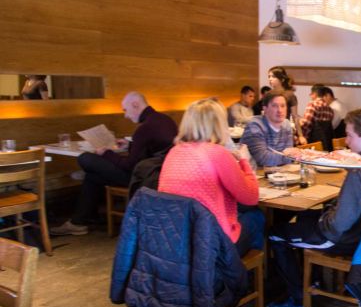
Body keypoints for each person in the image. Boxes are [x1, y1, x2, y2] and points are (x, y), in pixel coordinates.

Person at [266, 107, 361, 307]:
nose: (346, 142)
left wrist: (325, 217)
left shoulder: (360, 170)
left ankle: (297, 300)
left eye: (348, 135)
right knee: (305, 215)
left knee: (274, 233)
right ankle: (313, 279)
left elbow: (339, 223)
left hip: (342, 238)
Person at [52, 92, 178, 235]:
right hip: (158, 173)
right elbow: (151, 149)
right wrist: (130, 144)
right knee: (92, 176)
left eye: (125, 110)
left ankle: (81, 220)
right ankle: (81, 221)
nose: (126, 115)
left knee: (85, 158)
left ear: (136, 105)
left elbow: (128, 165)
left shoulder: (145, 128)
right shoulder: (164, 119)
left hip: (141, 179)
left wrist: (106, 153)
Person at [157, 98, 264, 256]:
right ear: (218, 124)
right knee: (256, 217)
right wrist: (244, 161)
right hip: (211, 245)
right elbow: (251, 196)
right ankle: (242, 274)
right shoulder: (217, 153)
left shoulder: (174, 152)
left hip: (176, 239)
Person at [239, 90, 293, 167]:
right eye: (274, 106)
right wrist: (289, 157)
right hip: (255, 175)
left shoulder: (286, 124)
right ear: (265, 109)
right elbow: (264, 159)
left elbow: (290, 153)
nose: (280, 110)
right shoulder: (255, 125)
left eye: (283, 106)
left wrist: (290, 156)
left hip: (279, 174)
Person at [267, 66, 307, 145]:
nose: (270, 79)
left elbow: (295, 116)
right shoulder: (269, 94)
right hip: (269, 131)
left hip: (284, 130)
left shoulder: (289, 95)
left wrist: (300, 135)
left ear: (282, 79)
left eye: (273, 76)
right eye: (269, 76)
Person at [301, 85, 334, 150]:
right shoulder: (330, 109)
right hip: (326, 144)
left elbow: (306, 123)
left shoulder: (312, 104)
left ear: (315, 94)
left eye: (311, 94)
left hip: (313, 142)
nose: (310, 96)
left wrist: (301, 135)